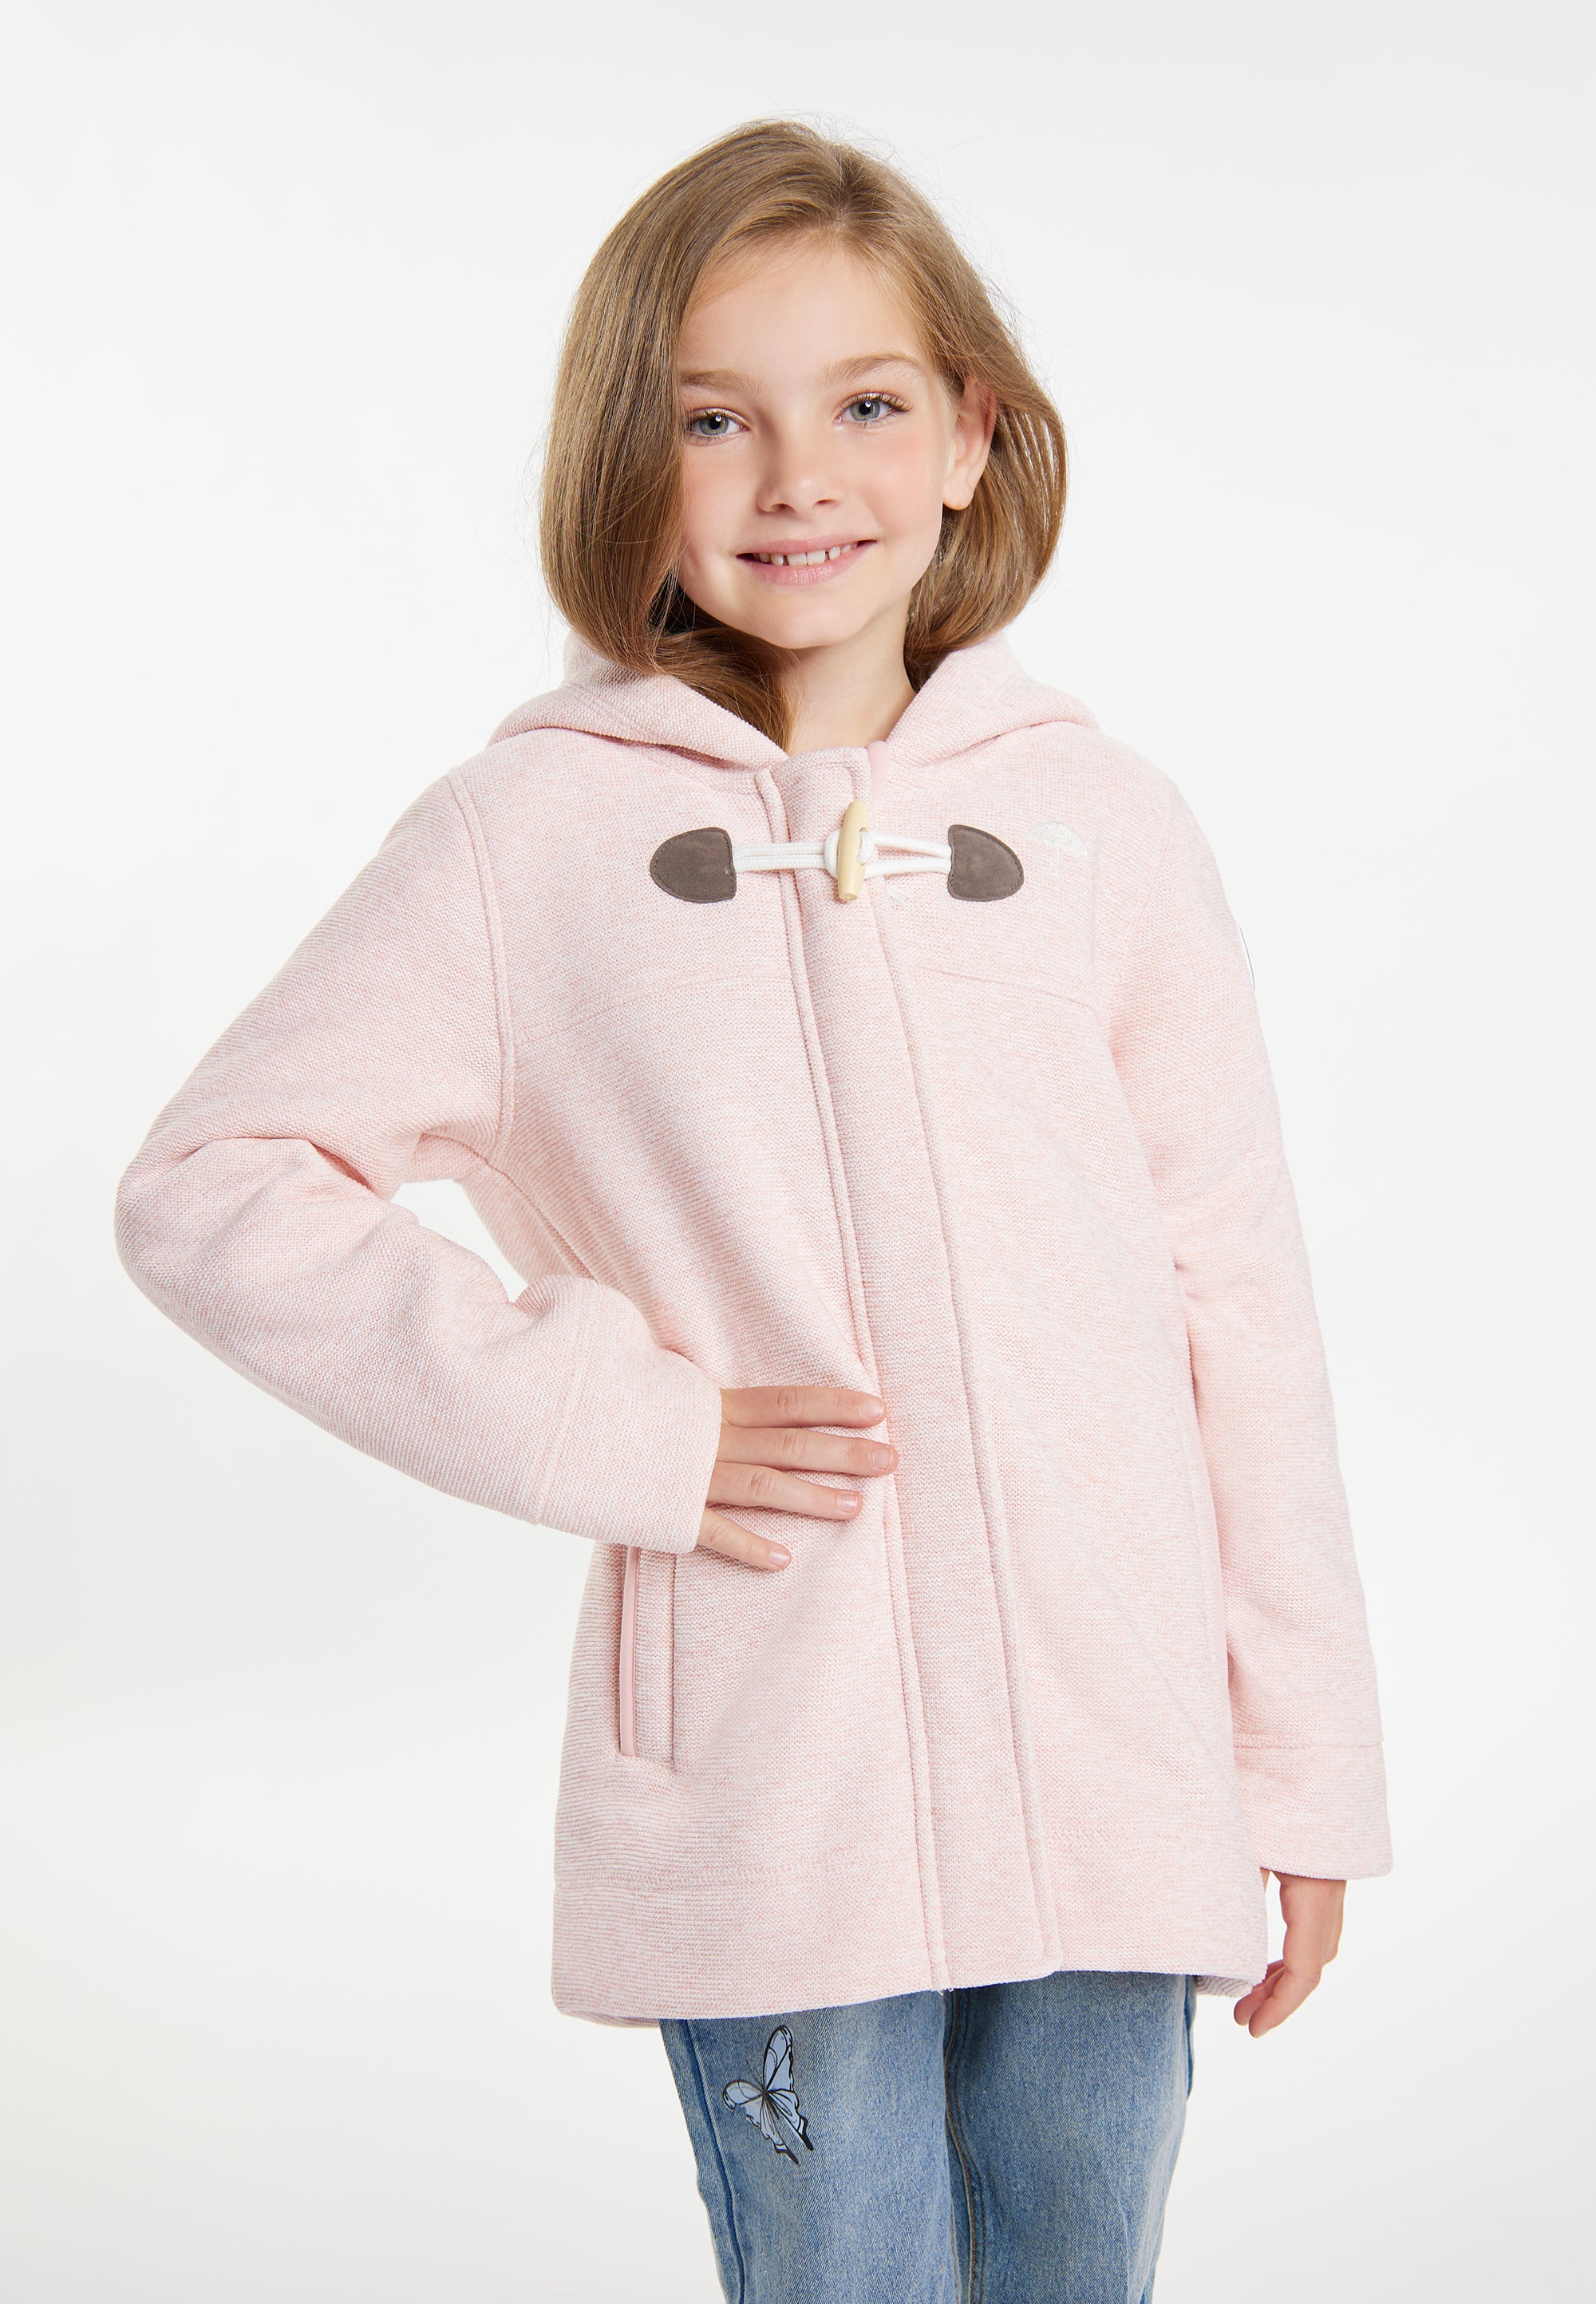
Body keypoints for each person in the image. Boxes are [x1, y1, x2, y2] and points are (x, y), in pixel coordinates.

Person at [115, 119, 1392, 2303]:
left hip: (1122, 1765)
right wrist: (631, 1428)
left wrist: (1304, 1775)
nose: (801, 477)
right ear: (631, 459)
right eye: (717, 418)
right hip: (779, 1787)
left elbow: (1239, 1304)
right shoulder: (530, 840)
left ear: (971, 436)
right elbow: (214, 1187)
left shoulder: (1102, 823)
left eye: (867, 404)